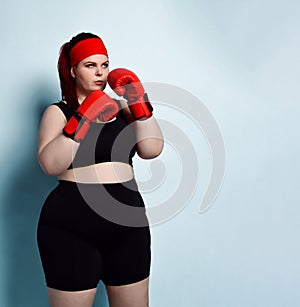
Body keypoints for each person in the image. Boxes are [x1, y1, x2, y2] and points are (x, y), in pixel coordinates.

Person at [36, 32, 164, 307]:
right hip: (71, 225)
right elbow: (50, 164)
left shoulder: (122, 109)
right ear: (73, 70)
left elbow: (152, 148)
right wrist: (82, 120)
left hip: (127, 222)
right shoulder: (58, 112)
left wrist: (139, 103)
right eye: (90, 65)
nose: (100, 73)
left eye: (104, 65)